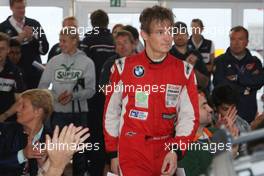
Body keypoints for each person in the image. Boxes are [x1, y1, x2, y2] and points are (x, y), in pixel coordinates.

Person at [104, 5, 199, 176]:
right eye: (160, 32)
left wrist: (176, 150)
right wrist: (112, 152)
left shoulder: (184, 70)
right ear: (144, 35)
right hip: (132, 150)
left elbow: (189, 116)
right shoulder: (123, 67)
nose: (168, 38)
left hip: (166, 150)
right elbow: (111, 112)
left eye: (170, 31)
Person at [38, 27, 95, 176]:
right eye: (60, 40)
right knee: (56, 152)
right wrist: (56, 97)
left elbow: (91, 90)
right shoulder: (54, 61)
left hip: (80, 114)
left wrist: (73, 96)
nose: (60, 44)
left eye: (64, 41)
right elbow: (42, 87)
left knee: (80, 153)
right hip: (58, 114)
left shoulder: (87, 62)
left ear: (74, 41)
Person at [81, 9, 116, 176]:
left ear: (93, 23)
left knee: (94, 131)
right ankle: (109, 164)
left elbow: (82, 67)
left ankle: (94, 167)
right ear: (107, 23)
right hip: (113, 93)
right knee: (109, 128)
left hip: (93, 94)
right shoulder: (114, 40)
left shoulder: (88, 40)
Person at [213, 26, 264, 123]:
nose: (236, 43)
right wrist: (245, 89)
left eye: (240, 39)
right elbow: (220, 85)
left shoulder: (255, 61)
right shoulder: (220, 61)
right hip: (227, 115)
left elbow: (259, 82)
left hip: (249, 113)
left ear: (247, 42)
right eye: (233, 39)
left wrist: (237, 78)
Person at [0, 89, 53, 176]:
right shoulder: (5, 130)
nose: (17, 109)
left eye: (23, 106)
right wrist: (22, 154)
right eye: (18, 105)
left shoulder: (52, 139)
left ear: (37, 112)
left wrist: (43, 166)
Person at [0, 0, 49, 89]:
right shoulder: (2, 27)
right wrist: (17, 40)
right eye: (18, 8)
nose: (22, 10)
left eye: (23, 7)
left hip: (34, 75)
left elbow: (45, 48)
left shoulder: (35, 25)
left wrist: (34, 39)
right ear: (11, 8)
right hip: (10, 75)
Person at [178, 89, 217, 176]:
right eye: (204, 106)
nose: (210, 109)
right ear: (190, 113)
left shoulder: (215, 133)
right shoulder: (183, 149)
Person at [170, 21, 209, 89]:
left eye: (182, 34)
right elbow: (166, 82)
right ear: (172, 37)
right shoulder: (167, 55)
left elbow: (205, 83)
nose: (180, 37)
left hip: (196, 93)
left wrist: (192, 68)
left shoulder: (196, 54)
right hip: (175, 94)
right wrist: (186, 67)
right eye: (176, 34)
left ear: (188, 36)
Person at [0, 32, 25, 122]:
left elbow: (20, 100)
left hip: (8, 122)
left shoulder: (15, 71)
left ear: (8, 50)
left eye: (2, 49)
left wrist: (4, 116)